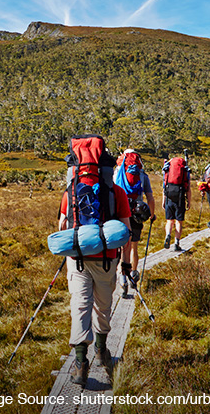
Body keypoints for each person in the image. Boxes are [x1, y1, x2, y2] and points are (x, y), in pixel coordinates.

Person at [59, 138, 132, 386]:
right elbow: (126, 232)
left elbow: (62, 226)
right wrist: (125, 264)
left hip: (77, 258)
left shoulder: (70, 191)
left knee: (80, 306)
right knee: (103, 306)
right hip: (107, 259)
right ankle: (101, 352)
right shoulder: (117, 192)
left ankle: (80, 364)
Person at [114, 149, 156, 293]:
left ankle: (122, 278)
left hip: (120, 213)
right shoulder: (142, 174)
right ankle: (133, 274)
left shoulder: (117, 172)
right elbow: (150, 198)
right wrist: (151, 215)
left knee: (122, 246)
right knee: (134, 246)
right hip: (137, 213)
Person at [161, 155, 190, 252]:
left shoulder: (168, 169)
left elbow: (164, 186)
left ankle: (168, 234)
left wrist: (163, 201)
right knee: (178, 221)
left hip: (169, 197)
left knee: (169, 221)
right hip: (180, 198)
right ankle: (176, 243)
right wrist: (189, 202)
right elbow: (188, 189)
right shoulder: (185, 171)